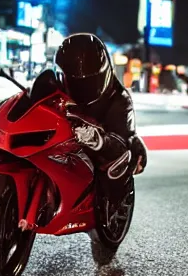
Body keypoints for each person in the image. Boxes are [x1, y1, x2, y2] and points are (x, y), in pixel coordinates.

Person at [54, 34, 148, 213]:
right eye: (74, 80)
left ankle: (112, 205)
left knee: (128, 152)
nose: (81, 88)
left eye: (87, 81)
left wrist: (98, 140)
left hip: (99, 153)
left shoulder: (119, 99)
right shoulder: (55, 83)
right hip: (63, 143)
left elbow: (122, 140)